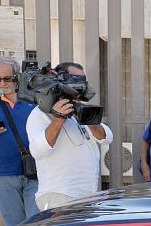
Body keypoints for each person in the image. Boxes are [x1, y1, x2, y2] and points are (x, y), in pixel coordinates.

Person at [26, 62, 113, 210]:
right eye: (76, 79)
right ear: (60, 81)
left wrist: (87, 116)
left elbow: (106, 137)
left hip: (87, 196)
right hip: (58, 197)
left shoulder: (78, 109)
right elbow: (37, 150)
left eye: (83, 79)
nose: (80, 84)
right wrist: (58, 118)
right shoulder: (40, 113)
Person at [0, 57, 39, 226]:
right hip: (2, 173)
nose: (2, 83)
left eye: (7, 78)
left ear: (17, 76)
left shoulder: (32, 95)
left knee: (36, 224)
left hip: (37, 170)